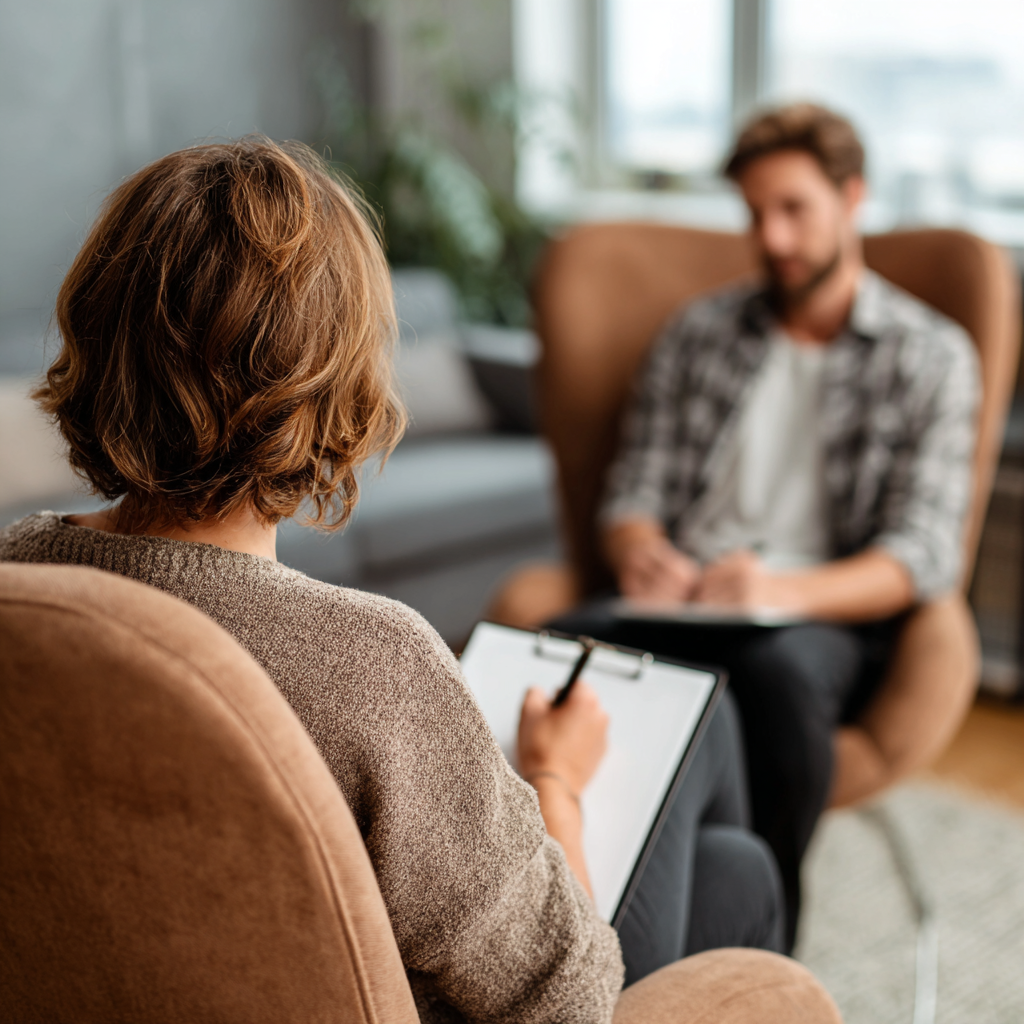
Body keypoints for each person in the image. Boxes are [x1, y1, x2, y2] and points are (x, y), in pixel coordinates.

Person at [0, 137, 787, 1022]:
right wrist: (555, 779)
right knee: (727, 815)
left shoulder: (18, 578)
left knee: (731, 867)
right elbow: (569, 1002)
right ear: (339, 383)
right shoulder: (375, 665)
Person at [556, 104, 980, 952]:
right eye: (755, 214)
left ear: (852, 197)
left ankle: (764, 949)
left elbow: (922, 552)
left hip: (822, 612)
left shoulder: (929, 356)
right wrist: (640, 552)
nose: (773, 238)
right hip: (683, 597)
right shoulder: (699, 334)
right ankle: (560, 929)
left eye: (794, 210)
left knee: (779, 677)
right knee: (548, 649)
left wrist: (777, 589)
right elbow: (632, 491)